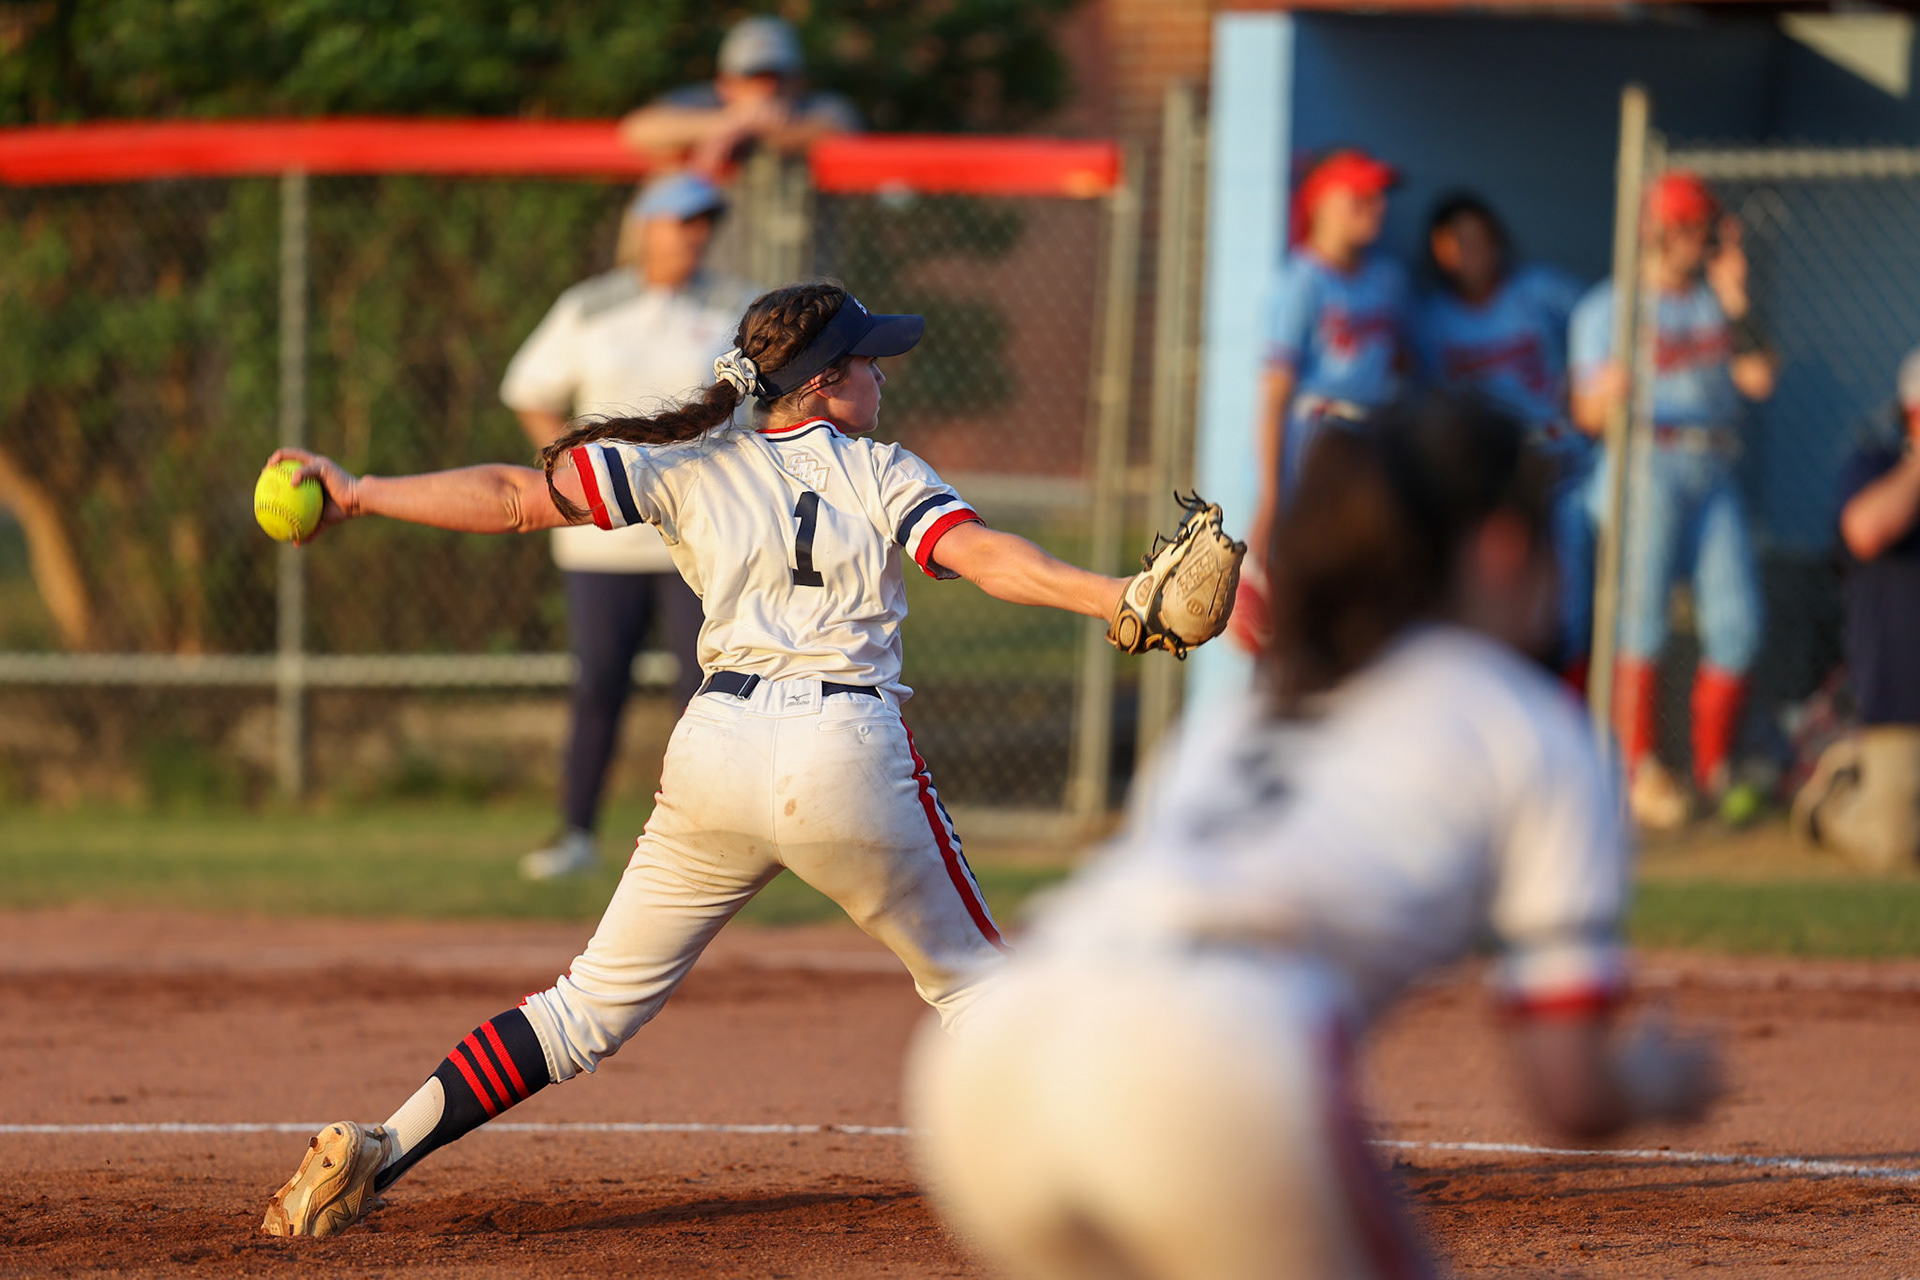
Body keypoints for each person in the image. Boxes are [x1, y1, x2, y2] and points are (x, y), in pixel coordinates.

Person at [257, 283, 1225, 1238]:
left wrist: (356, 491)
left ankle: (382, 1141)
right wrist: (1119, 598)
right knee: (977, 989)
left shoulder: (692, 464)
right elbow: (986, 557)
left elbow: (513, 498)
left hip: (714, 747)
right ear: (825, 383)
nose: (882, 374)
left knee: (581, 1008)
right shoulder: (879, 469)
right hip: (846, 752)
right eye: (869, 359)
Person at [909, 397, 1721, 1280]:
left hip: (996, 1067)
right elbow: (1572, 1091)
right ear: (1500, 547)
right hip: (1214, 1056)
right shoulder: (1532, 726)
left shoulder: (1255, 711)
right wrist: (1657, 1081)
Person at [502, 172, 756, 879]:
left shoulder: (734, 307)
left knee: (703, 691)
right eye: (681, 221)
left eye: (704, 221)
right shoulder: (591, 307)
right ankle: (577, 835)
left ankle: (702, 841)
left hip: (699, 539)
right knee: (598, 684)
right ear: (645, 227)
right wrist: (564, 470)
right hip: (601, 538)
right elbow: (529, 389)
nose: (695, 234)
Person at [1570, 171, 1777, 830]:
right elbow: (1587, 415)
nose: (1696, 237)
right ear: (1654, 228)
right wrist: (1613, 391)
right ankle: (1638, 772)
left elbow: (1759, 377)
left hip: (1710, 462)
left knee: (1738, 621)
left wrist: (1737, 295)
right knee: (1641, 621)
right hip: (1645, 461)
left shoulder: (1716, 303)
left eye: (1701, 225)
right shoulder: (1610, 308)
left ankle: (1713, 774)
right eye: (1684, 225)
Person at [1232, 148, 1409, 653]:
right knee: (1300, 602)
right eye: (1358, 196)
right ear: (1321, 204)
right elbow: (1273, 398)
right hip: (1314, 442)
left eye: (1377, 197)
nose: (1375, 206)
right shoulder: (1299, 285)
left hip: (1371, 441)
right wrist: (1267, 498)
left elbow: (1401, 362)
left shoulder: (1388, 281)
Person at [1417, 192, 1591, 689]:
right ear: (1441, 251)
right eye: (1461, 242)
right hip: (1491, 473)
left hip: (1558, 456)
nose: (1476, 252)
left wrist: (1583, 379)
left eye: (1483, 239)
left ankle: (1567, 696)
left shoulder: (1538, 291)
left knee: (1569, 590)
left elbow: (1604, 318)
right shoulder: (1431, 319)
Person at [1793, 347, 1920, 869]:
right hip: (1902, 709)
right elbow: (1866, 532)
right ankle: (1834, 797)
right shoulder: (1876, 466)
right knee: (1892, 844)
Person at [619, 16, 860, 180]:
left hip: (804, 256)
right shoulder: (706, 102)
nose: (768, 88)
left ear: (799, 81)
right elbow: (637, 129)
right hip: (716, 254)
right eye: (752, 76)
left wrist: (749, 129)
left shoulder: (820, 107)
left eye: (777, 76)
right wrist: (730, 123)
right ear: (726, 83)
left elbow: (842, 127)